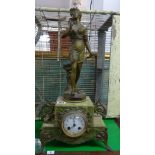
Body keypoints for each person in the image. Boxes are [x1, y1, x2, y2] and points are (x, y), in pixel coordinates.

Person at [62, 7, 94, 96]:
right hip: (73, 49)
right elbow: (63, 36)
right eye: (71, 14)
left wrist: (90, 52)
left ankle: (74, 86)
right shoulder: (70, 24)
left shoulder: (84, 28)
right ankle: (72, 89)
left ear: (79, 14)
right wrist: (69, 29)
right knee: (74, 68)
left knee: (79, 70)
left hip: (81, 50)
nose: (72, 15)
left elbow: (86, 41)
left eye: (74, 13)